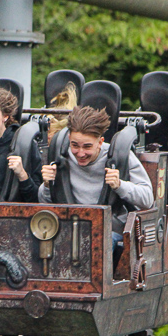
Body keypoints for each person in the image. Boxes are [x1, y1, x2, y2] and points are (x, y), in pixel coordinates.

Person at [39, 105, 154, 251]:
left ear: (100, 142)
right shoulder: (60, 157)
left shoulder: (119, 157)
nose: (80, 153)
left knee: (96, 245)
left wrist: (119, 185)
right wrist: (48, 186)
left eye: (87, 147)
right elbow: (44, 204)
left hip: (109, 230)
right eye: (75, 145)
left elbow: (148, 200)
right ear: (69, 138)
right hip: (69, 227)